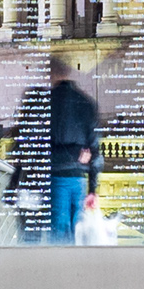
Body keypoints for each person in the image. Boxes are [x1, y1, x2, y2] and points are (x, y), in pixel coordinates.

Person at [45, 67, 100, 242]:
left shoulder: (48, 102)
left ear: (52, 75)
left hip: (57, 178)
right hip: (80, 179)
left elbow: (42, 149)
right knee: (79, 234)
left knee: (59, 236)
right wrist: (93, 189)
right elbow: (95, 149)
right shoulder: (86, 102)